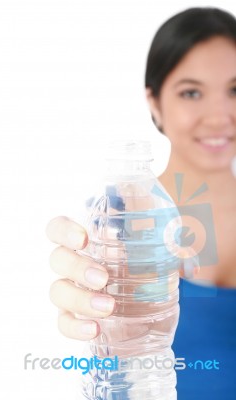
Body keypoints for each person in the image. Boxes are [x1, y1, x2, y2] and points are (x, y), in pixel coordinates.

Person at [46, 7, 236, 399]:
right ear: (154, 102)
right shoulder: (120, 220)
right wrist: (97, 321)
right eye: (191, 92)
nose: (219, 115)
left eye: (235, 90)